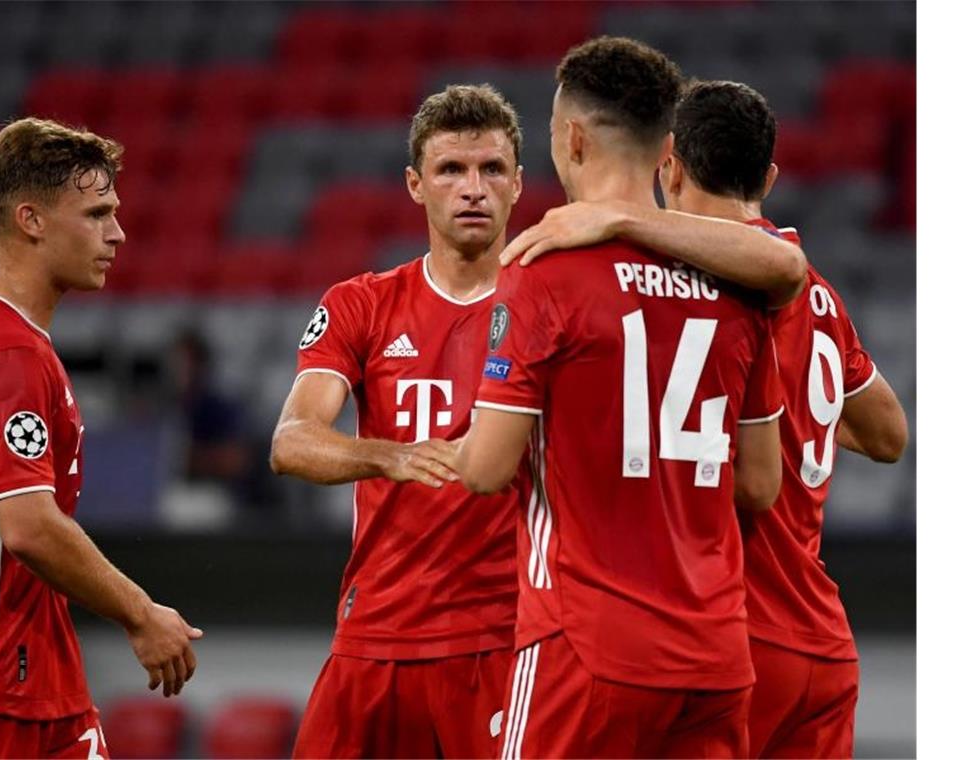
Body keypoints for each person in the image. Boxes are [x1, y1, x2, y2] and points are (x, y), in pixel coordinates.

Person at [503, 79, 909, 758]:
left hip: (737, 628)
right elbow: (889, 435)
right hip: (823, 639)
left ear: (669, 166)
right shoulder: (819, 298)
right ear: (770, 176)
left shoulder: (716, 287)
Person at [457, 38, 786, 759]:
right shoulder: (740, 279)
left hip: (586, 647)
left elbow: (484, 469)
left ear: (571, 138)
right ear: (668, 150)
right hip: (714, 657)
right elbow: (761, 484)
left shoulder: (544, 269)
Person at [0, 117, 203, 759]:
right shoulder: (3, 356)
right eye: (97, 214)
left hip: (30, 678)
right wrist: (140, 613)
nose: (117, 233)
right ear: (31, 220)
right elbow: (31, 527)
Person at [270, 84, 525, 759]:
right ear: (415, 185)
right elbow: (291, 442)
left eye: (491, 169)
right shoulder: (362, 304)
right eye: (451, 170)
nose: (473, 188)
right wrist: (392, 456)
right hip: (375, 634)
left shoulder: (547, 308)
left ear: (519, 184)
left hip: (502, 640)